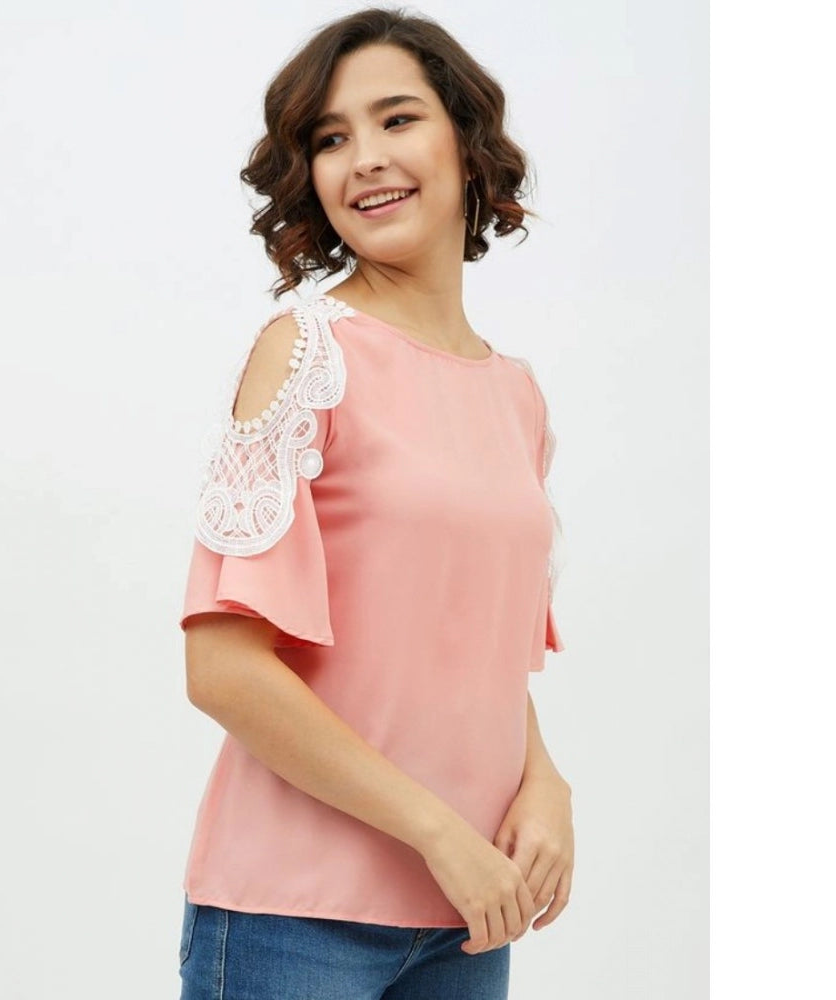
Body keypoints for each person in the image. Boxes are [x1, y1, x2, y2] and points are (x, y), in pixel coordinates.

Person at [176, 8, 574, 998]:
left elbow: (462, 653)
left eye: (397, 119)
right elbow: (223, 669)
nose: (365, 159)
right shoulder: (307, 353)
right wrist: (439, 831)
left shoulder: (516, 394)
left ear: (466, 144)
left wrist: (545, 782)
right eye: (330, 138)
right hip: (293, 918)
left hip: (465, 917)